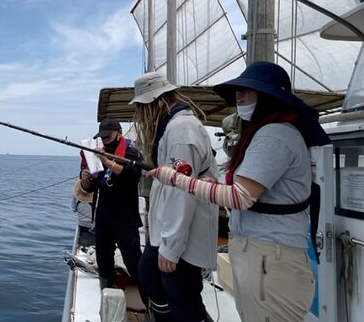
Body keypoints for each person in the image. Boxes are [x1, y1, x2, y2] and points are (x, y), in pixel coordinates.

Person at [148, 61, 330, 322]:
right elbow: (248, 191)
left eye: (246, 91)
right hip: (263, 256)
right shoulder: (270, 133)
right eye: (238, 92)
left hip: (269, 258)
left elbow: (240, 197)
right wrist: (213, 186)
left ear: (268, 96)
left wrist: (176, 179)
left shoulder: (274, 135)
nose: (238, 97)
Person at [130, 72, 218, 322]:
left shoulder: (181, 131)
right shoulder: (173, 127)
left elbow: (183, 192)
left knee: (183, 299)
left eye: (142, 106)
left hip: (181, 237)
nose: (141, 114)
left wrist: (171, 248)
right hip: (168, 231)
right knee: (149, 277)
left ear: (155, 102)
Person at [80, 118, 143, 290]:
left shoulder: (132, 152)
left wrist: (107, 161)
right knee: (103, 259)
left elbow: (132, 176)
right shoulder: (96, 153)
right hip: (103, 217)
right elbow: (91, 186)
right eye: (102, 136)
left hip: (125, 218)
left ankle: (148, 297)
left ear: (119, 132)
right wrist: (85, 180)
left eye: (108, 135)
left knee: (133, 259)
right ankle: (106, 290)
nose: (105, 139)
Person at [72, 158, 96, 247]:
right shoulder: (98, 195)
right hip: (96, 227)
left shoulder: (76, 193)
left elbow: (73, 208)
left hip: (82, 225)